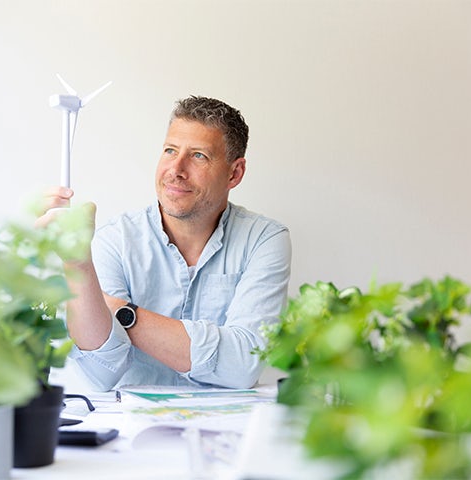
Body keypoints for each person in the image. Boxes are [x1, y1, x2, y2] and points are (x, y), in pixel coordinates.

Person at [36, 96, 291, 391]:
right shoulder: (113, 240)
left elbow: (242, 366)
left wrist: (122, 312)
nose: (176, 169)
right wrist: (77, 263)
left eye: (198, 156)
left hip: (223, 428)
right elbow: (100, 372)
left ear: (234, 173)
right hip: (128, 429)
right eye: (170, 150)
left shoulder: (265, 239)